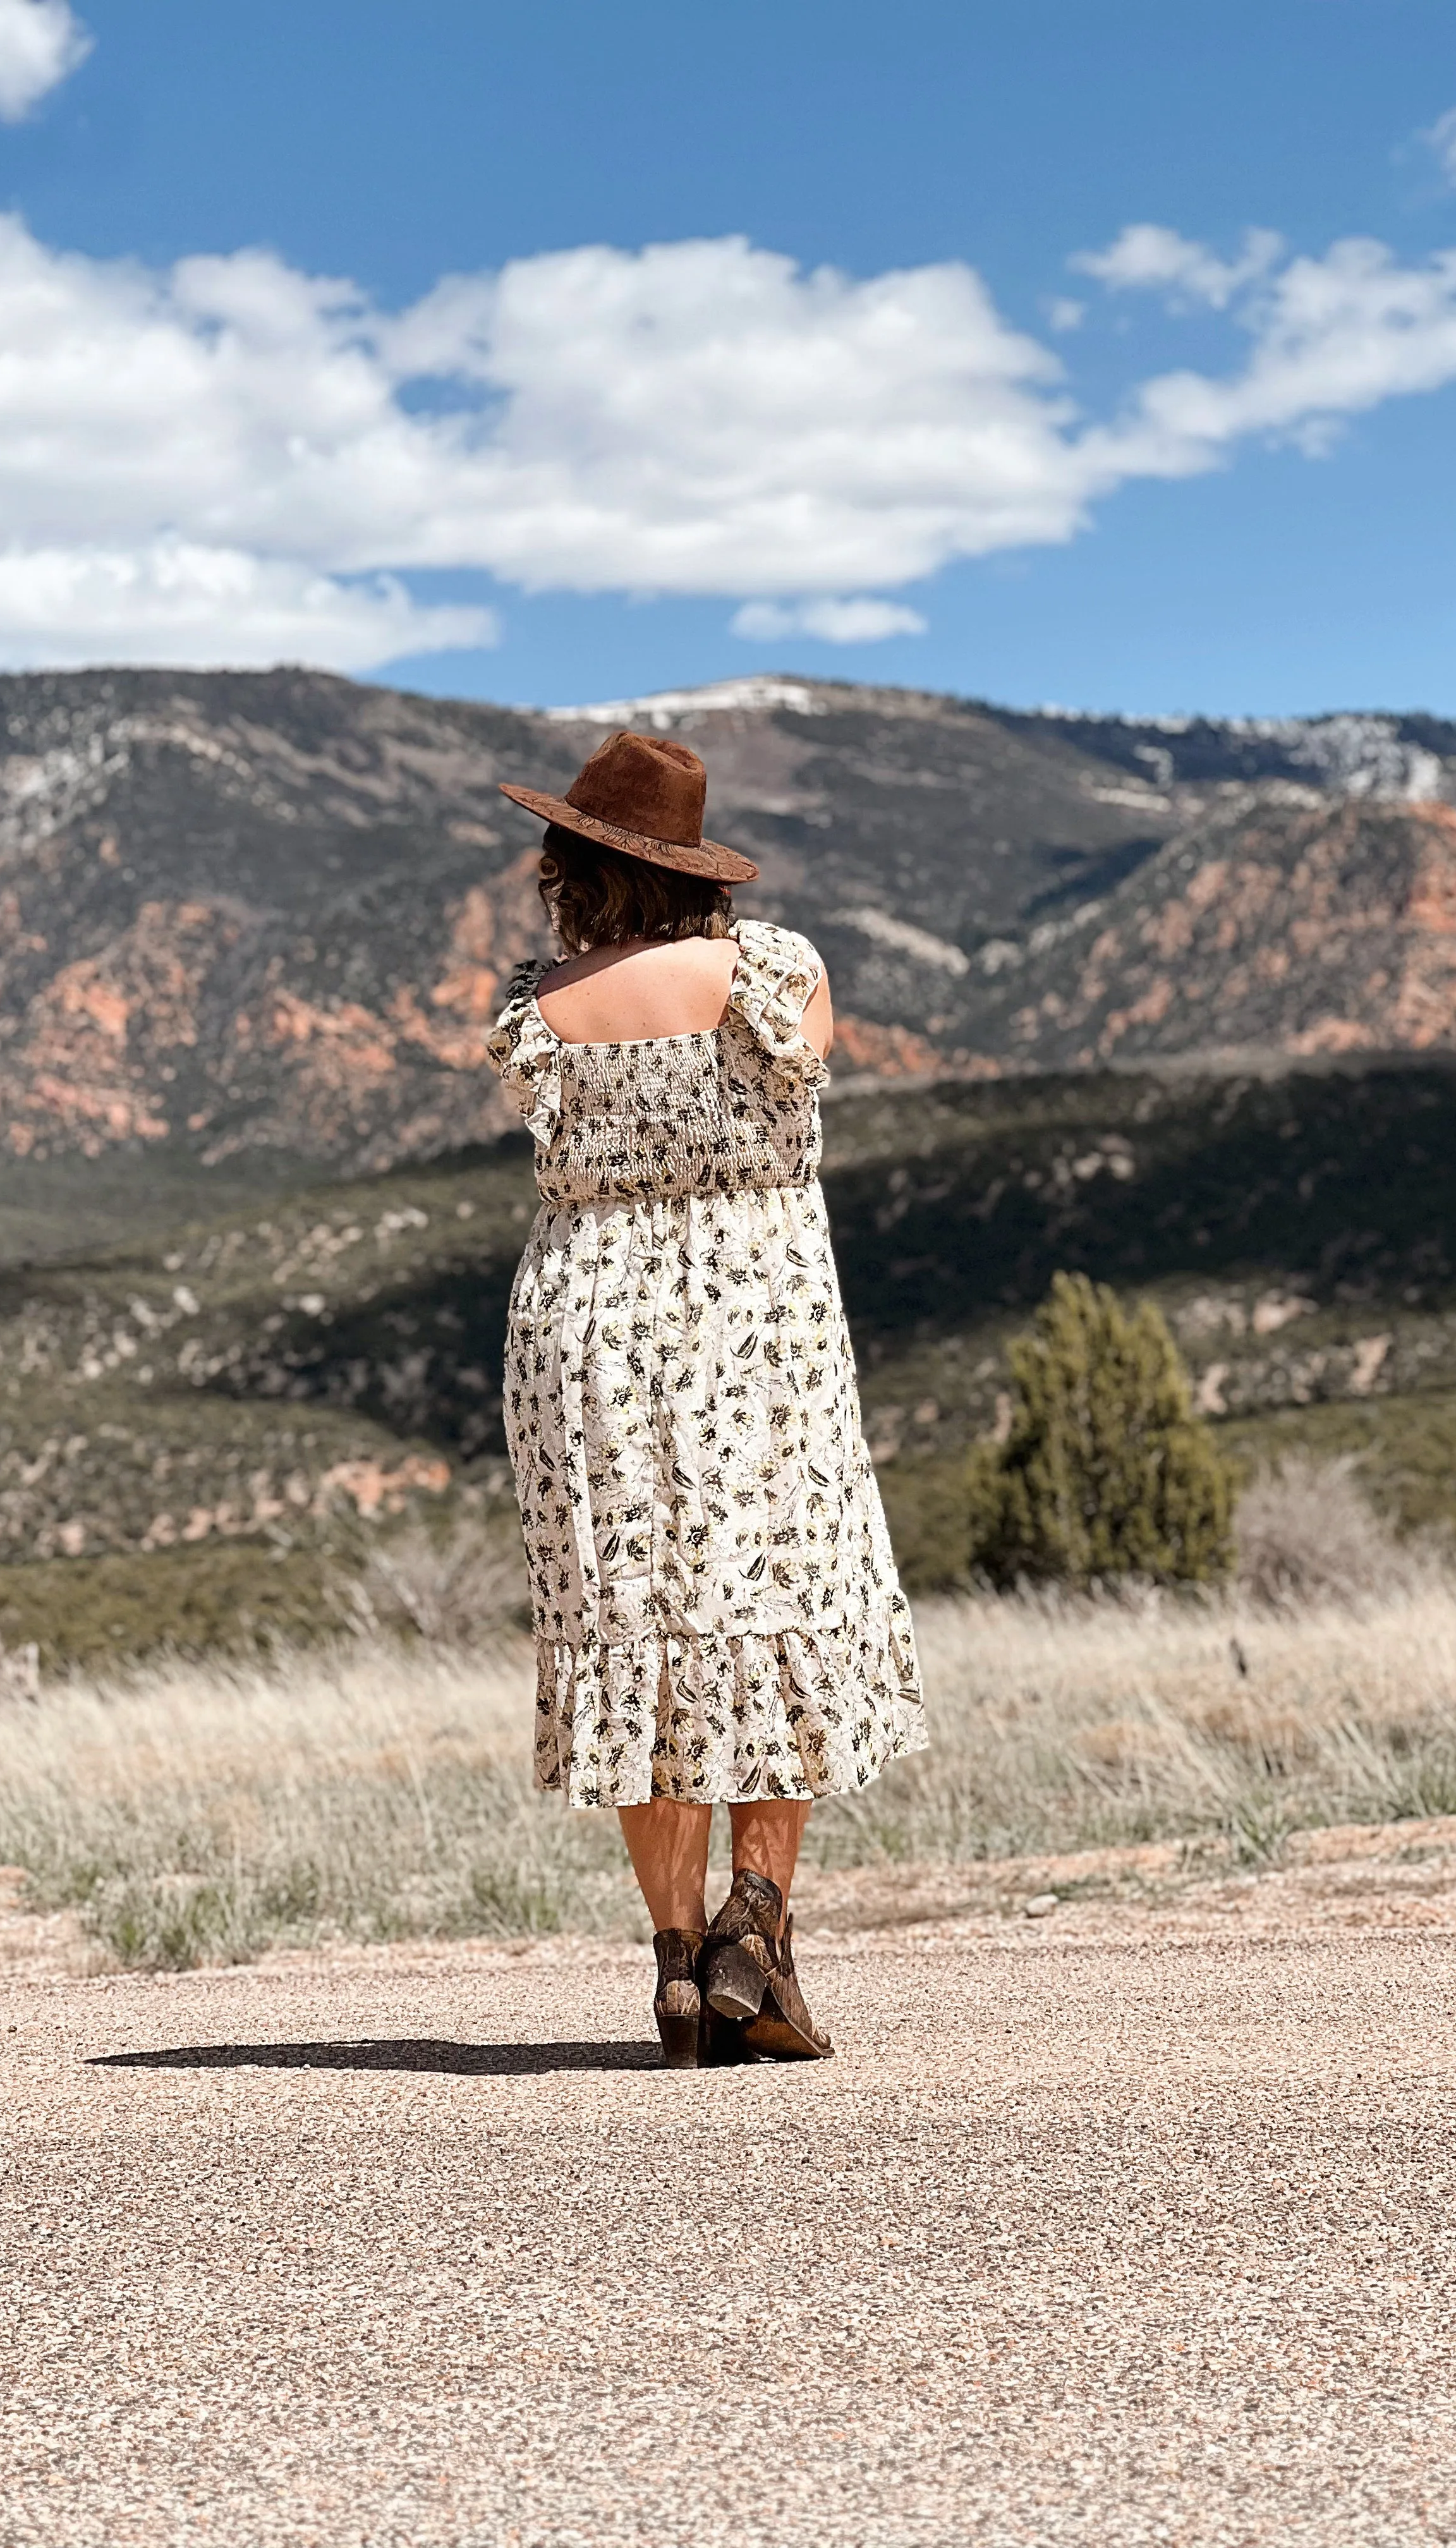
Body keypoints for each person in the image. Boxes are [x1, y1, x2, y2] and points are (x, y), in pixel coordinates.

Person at [485, 729, 926, 2066]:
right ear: (695, 863)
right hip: (758, 1325)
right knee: (776, 1608)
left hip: (589, 1339)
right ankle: (758, 1920)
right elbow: (795, 1101)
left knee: (636, 1630)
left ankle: (679, 1969)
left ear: (571, 863)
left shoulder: (536, 1007)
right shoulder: (778, 975)